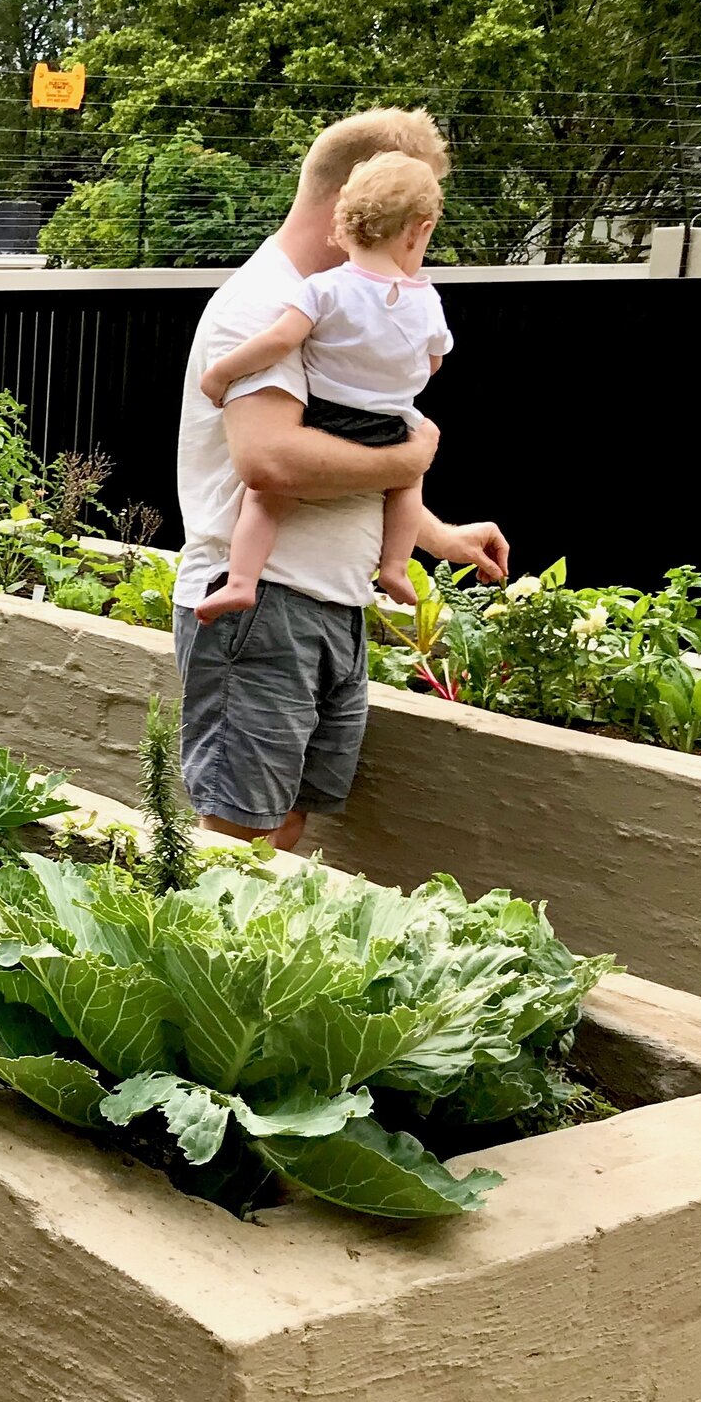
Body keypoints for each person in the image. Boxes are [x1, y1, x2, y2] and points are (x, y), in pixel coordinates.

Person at [173, 108, 510, 854]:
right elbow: (274, 461)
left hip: (326, 603)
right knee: (237, 837)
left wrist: (437, 537)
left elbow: (355, 447)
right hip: (262, 603)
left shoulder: (348, 311)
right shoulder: (265, 306)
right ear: (362, 201)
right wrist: (412, 460)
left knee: (284, 824)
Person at [193, 152, 452, 622]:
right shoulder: (428, 299)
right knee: (405, 481)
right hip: (392, 422)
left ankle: (241, 581)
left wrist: (220, 374)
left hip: (329, 415)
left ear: (345, 220)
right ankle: (394, 567)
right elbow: (432, 362)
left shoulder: (324, 288)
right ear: (419, 229)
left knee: (265, 501)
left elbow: (278, 341)